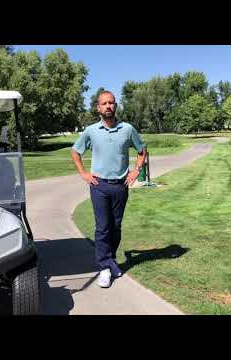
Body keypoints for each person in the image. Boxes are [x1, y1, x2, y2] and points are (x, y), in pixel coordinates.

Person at [70, 90, 146, 288]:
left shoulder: (128, 129)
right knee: (103, 227)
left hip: (121, 186)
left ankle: (110, 260)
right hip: (99, 186)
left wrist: (136, 170)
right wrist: (84, 173)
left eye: (111, 103)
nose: (108, 106)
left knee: (116, 226)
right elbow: (75, 151)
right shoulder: (91, 131)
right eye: (104, 103)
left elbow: (141, 150)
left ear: (116, 106)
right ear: (98, 108)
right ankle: (105, 267)